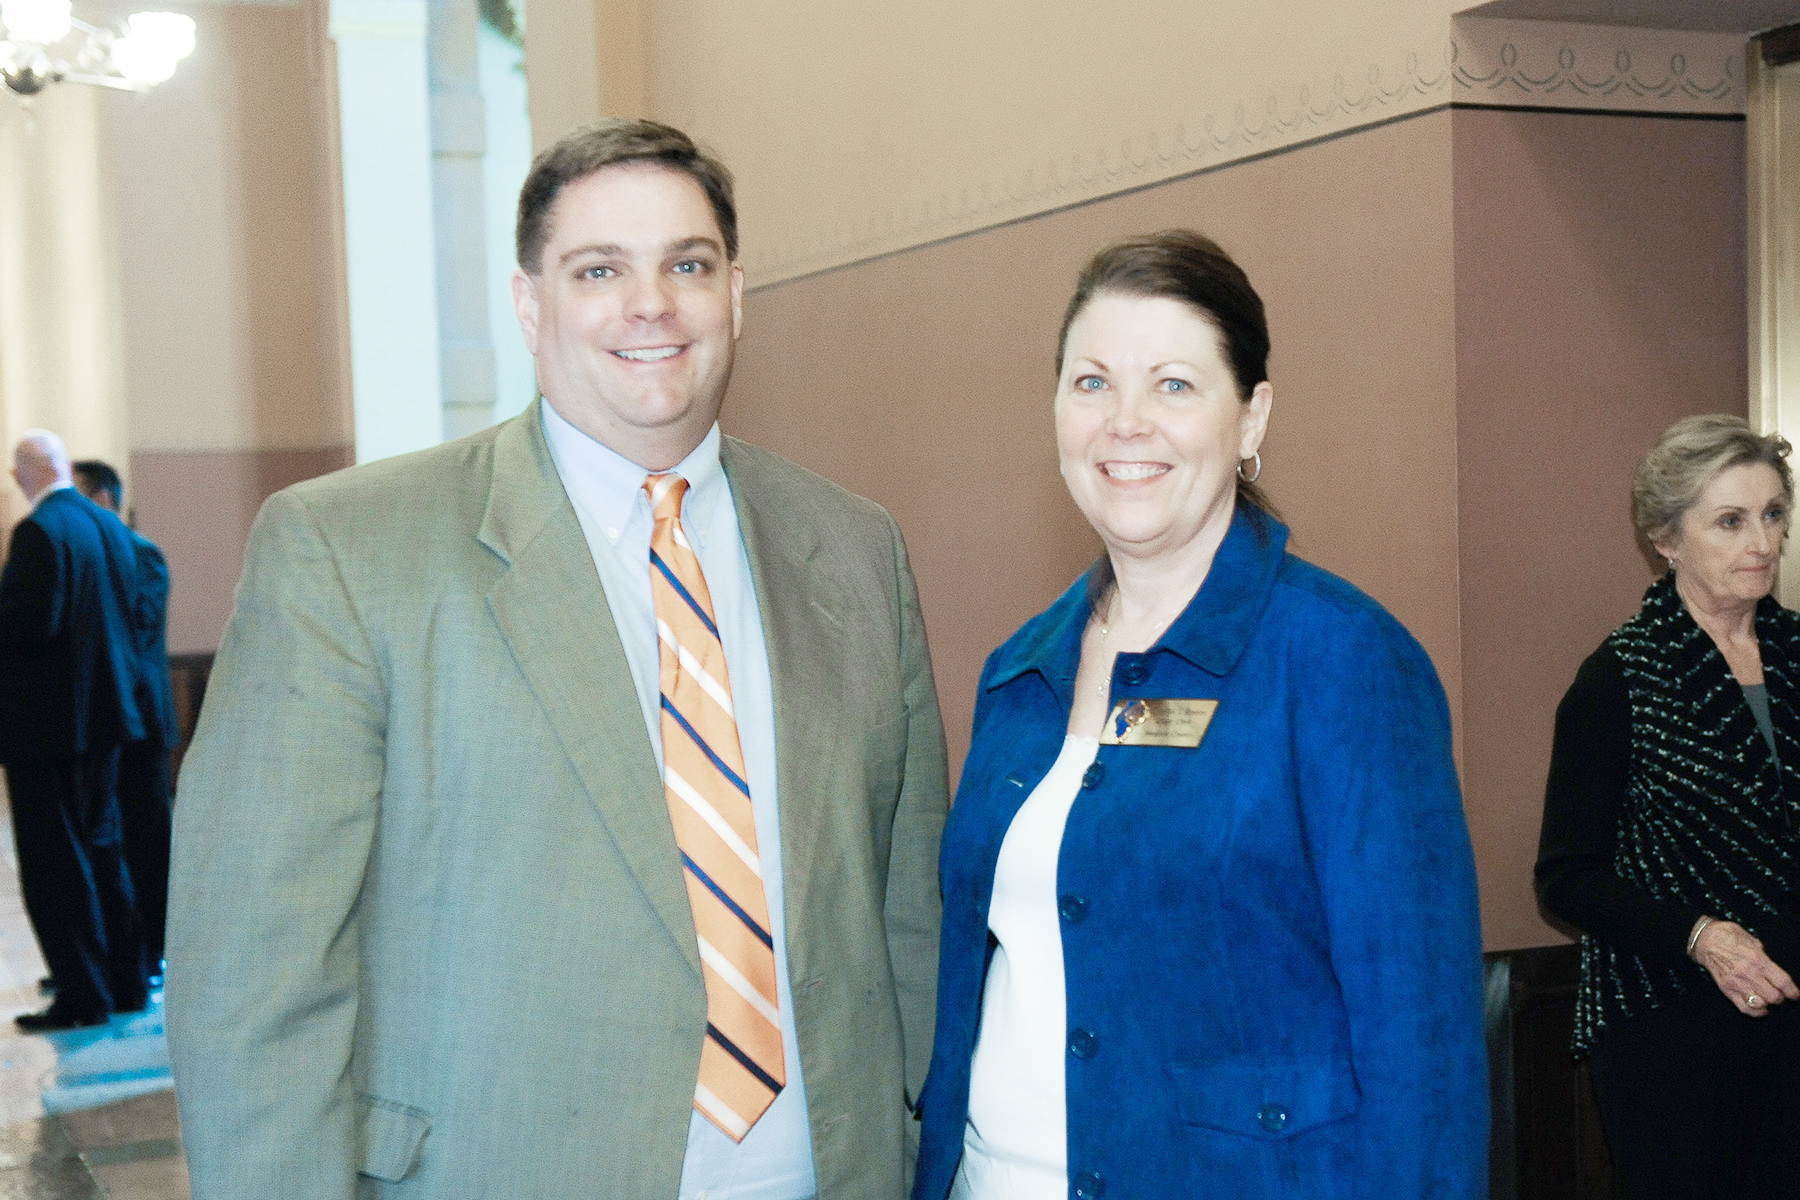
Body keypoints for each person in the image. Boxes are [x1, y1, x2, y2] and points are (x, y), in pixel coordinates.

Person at [166, 118, 949, 1198]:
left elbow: (908, 915)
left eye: (688, 264)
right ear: (531, 305)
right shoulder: (347, 552)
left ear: (736, 294)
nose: (650, 305)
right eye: (599, 269)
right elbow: (253, 985)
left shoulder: (856, 550)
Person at [912, 232, 1488, 1200]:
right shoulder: (1020, 672)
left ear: (1252, 415)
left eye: (1173, 386)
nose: (1125, 424)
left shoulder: (1343, 663)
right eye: (1091, 383)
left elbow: (1420, 1048)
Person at [1536, 414, 1800, 1199]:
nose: (1762, 541)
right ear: (1666, 538)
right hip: (1670, 1018)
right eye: (1731, 520)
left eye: (1774, 514)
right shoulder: (1620, 678)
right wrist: (1704, 937)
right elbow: (1567, 878)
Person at [0, 432, 150, 1029]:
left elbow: (32, 626)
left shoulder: (39, 532)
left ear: (26, 475)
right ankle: (127, 982)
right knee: (104, 850)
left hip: (49, 726)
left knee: (55, 861)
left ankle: (83, 995)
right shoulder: (109, 527)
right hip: (107, 717)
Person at [72, 459, 176, 982]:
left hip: (142, 725)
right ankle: (115, 953)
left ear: (105, 501)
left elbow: (135, 639)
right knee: (103, 842)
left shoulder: (142, 554)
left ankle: (156, 949)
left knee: (148, 841)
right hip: (106, 727)